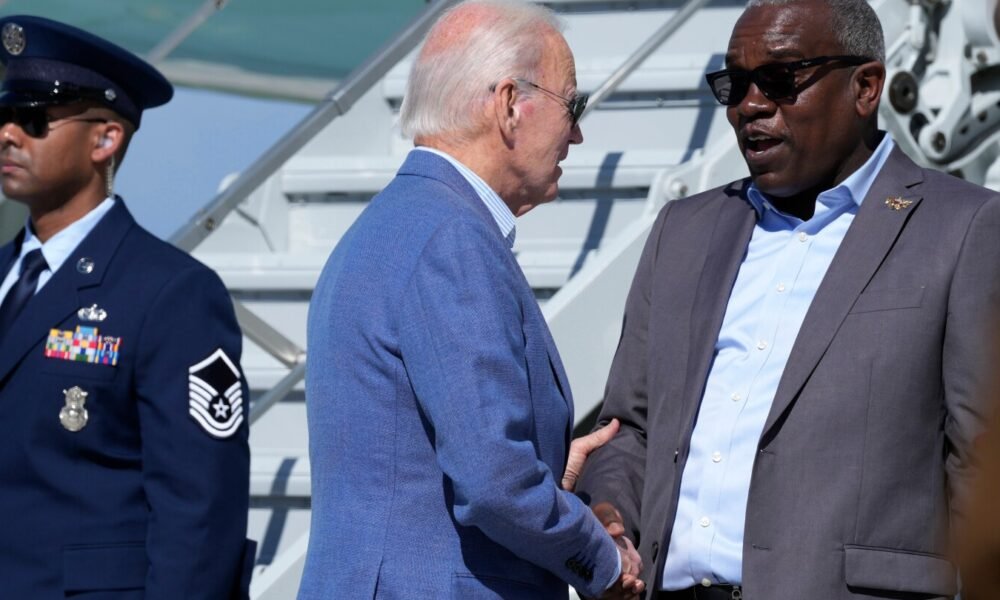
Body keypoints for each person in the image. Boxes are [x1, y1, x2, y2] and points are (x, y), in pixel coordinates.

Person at [574, 0, 1000, 598]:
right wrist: (611, 511)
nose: (750, 105)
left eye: (779, 79)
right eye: (735, 84)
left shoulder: (965, 228)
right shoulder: (683, 230)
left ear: (866, 87)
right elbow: (631, 428)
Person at [299, 1, 644, 598]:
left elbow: (416, 454)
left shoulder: (390, 226)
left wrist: (544, 468)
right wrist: (602, 560)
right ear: (510, 105)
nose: (577, 133)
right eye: (573, 106)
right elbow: (493, 482)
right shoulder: (452, 239)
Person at [0, 15, 255, 599]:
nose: (9, 134)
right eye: (3, 116)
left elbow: (200, 513)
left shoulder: (172, 294)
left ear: (105, 139)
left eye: (35, 118)